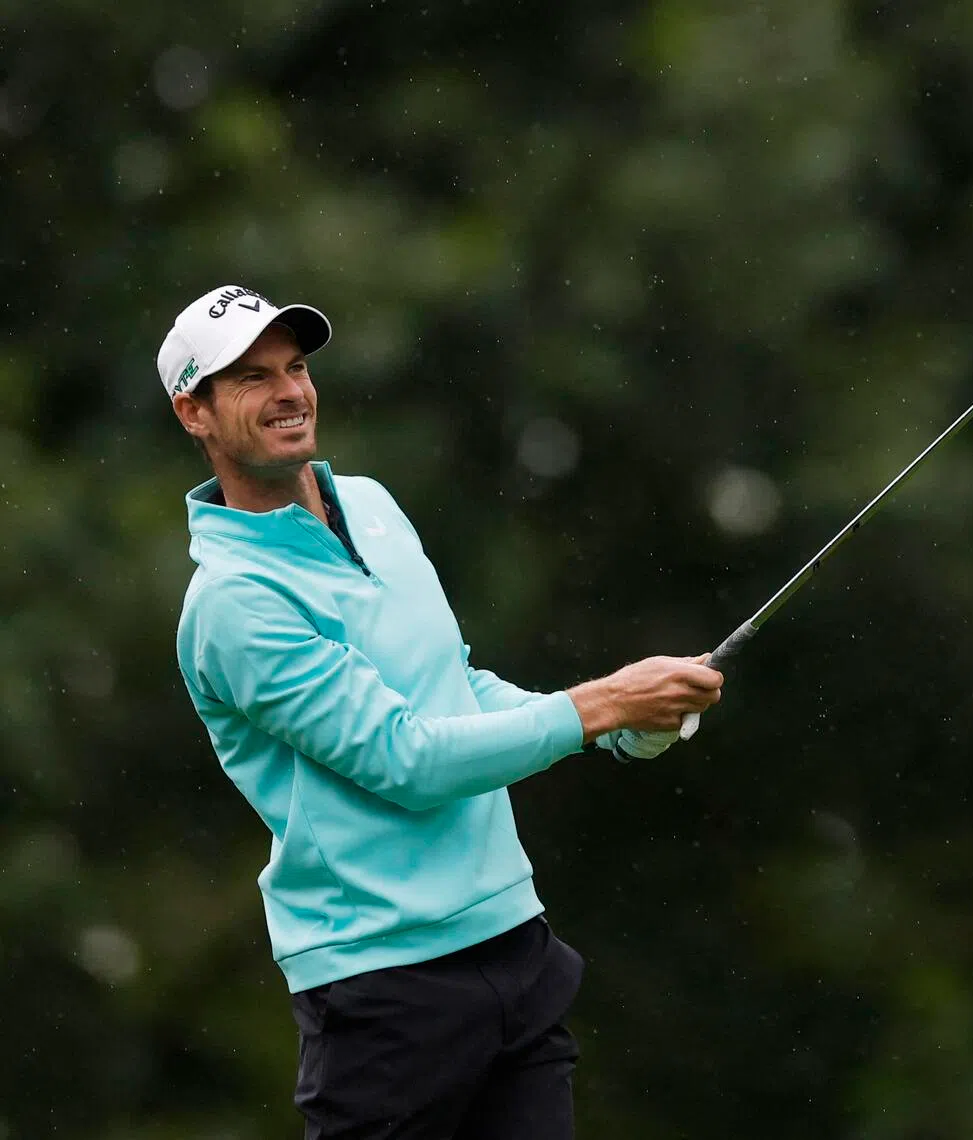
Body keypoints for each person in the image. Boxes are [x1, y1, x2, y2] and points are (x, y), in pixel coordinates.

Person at [160, 285, 723, 1139]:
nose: (289, 393)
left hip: (515, 946)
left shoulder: (375, 507)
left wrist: (619, 726)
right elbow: (407, 759)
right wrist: (600, 702)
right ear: (193, 412)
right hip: (384, 991)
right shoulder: (234, 603)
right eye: (249, 379)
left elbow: (452, 686)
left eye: (297, 367)